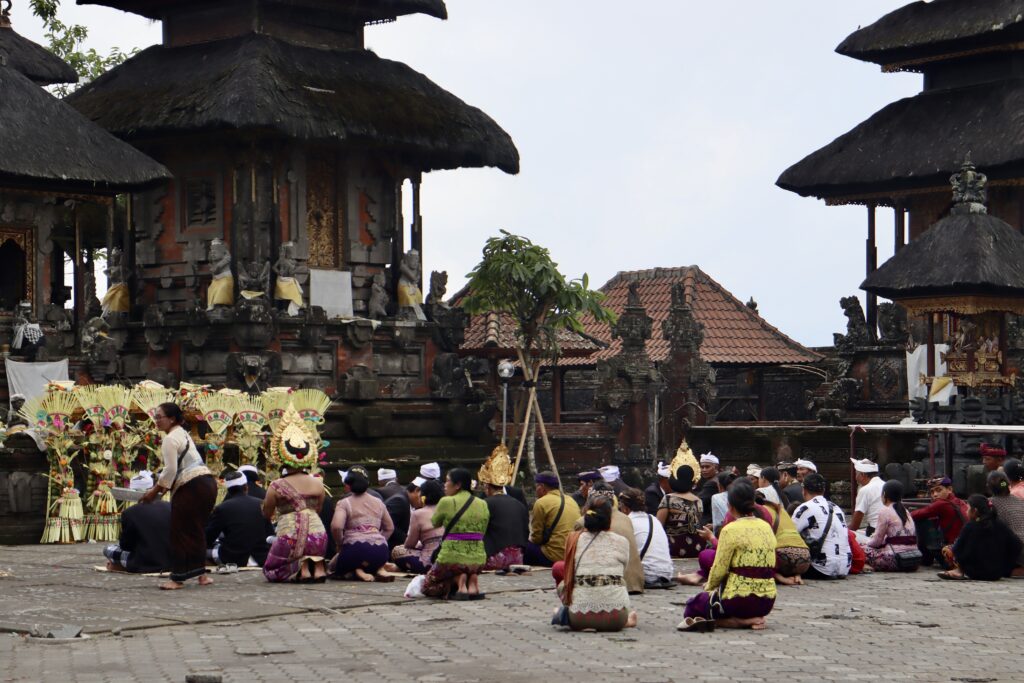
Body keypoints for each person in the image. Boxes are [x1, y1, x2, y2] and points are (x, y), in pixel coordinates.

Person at [679, 480, 776, 632]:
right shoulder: (766, 527)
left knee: (693, 607)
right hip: (767, 602)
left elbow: (719, 568)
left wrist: (709, 589)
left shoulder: (730, 529)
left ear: (730, 506)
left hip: (738, 601)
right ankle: (750, 619)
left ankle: (740, 622)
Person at [139, 402, 217, 590]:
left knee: (180, 531)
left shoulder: (170, 439)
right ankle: (201, 575)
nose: (156, 421)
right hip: (207, 483)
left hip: (192, 485)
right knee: (196, 529)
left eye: (159, 417)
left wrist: (154, 491)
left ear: (172, 419)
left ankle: (178, 578)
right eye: (155, 417)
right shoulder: (182, 432)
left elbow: (171, 469)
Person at [263, 409, 329, 582]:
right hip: (318, 536)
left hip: (289, 537)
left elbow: (266, 513)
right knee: (311, 541)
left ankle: (301, 567)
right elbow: (318, 509)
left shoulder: (276, 486)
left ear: (282, 460)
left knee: (271, 569)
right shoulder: (318, 482)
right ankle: (316, 566)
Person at [553, 498, 637, 631]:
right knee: (620, 582)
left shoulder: (573, 539)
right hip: (616, 618)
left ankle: (565, 614)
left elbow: (570, 572)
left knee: (564, 583)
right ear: (609, 520)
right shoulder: (622, 541)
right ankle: (627, 621)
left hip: (578, 618)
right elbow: (623, 571)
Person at [422, 468, 490, 599]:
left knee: (428, 585)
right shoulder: (482, 503)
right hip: (478, 559)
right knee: (467, 568)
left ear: (458, 485)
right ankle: (472, 580)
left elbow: (435, 523)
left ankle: (458, 579)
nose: (444, 484)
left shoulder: (446, 501)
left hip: (452, 558)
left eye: (447, 481)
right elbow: (484, 529)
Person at [939, 494, 1024, 581]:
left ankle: (959, 570)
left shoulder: (970, 526)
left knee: (948, 549)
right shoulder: (1000, 524)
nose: (966, 511)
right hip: (997, 573)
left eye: (968, 509)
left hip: (974, 572)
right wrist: (1006, 565)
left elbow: (957, 549)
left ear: (975, 511)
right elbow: (1017, 545)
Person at [330, 470, 395, 581]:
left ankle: (357, 570)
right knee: (372, 560)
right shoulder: (378, 502)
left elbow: (337, 527)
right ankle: (378, 569)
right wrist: (378, 540)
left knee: (333, 566)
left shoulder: (344, 503)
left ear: (348, 485)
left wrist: (340, 543)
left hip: (355, 550)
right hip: (381, 551)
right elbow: (390, 528)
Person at [205, 471, 273, 567]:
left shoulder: (222, 508)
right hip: (261, 557)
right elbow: (269, 533)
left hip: (232, 558)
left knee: (201, 552)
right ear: (246, 487)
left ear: (228, 490)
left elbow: (210, 537)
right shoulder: (261, 504)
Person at [792, 473, 851, 579]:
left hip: (820, 569)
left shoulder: (805, 508)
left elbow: (790, 533)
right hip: (844, 567)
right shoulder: (836, 508)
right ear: (823, 491)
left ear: (804, 490)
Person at [478, 450, 529, 571]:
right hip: (518, 558)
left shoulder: (485, 504)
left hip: (494, 559)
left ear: (487, 487)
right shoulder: (518, 504)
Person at [618, 488, 674, 589]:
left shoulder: (627, 522)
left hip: (647, 574)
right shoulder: (654, 519)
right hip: (667, 573)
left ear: (625, 508)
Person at [525, 471, 581, 567]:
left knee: (522, 545)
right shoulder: (571, 500)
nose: (536, 490)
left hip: (552, 557)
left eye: (536, 486)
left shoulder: (541, 502)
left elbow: (536, 538)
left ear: (542, 487)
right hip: (572, 555)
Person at [103, 498, 172, 574]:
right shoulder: (170, 506)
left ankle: (119, 565)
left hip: (144, 562)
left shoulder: (129, 512)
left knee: (107, 549)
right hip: (173, 561)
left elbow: (125, 546)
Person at [911, 477, 968, 567]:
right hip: (964, 550)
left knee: (921, 521)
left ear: (949, 489)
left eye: (939, 490)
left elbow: (913, 515)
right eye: (932, 492)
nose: (935, 494)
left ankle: (925, 559)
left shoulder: (941, 504)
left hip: (954, 552)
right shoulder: (961, 502)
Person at [862, 480, 917, 572]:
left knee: (860, 549)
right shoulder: (906, 511)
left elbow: (876, 542)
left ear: (884, 494)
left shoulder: (885, 511)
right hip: (913, 560)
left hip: (895, 560)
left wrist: (866, 543)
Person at [391, 480, 444, 574]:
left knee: (398, 551)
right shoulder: (450, 510)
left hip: (429, 562)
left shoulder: (418, 514)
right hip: (450, 560)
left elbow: (410, 544)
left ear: (423, 497)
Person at [656, 465, 705, 558]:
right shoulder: (698, 501)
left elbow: (659, 525)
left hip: (674, 546)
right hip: (697, 546)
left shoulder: (669, 499)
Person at [985, 470, 1024, 570]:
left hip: (1017, 551)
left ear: (988, 487)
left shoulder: (990, 504)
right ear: (1007, 484)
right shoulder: (1019, 501)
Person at [377, 469, 411, 549]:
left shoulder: (379, 492)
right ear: (396, 479)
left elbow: (387, 525)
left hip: (391, 539)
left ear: (380, 482)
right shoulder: (406, 490)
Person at [850, 458, 883, 535]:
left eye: (856, 474)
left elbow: (855, 526)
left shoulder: (865, 490)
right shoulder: (885, 484)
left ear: (863, 475)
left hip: (876, 531)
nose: (855, 478)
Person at [696, 453, 721, 526]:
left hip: (709, 520)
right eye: (702, 467)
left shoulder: (712, 483)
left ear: (716, 467)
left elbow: (698, 502)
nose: (704, 470)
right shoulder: (716, 479)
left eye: (707, 467)